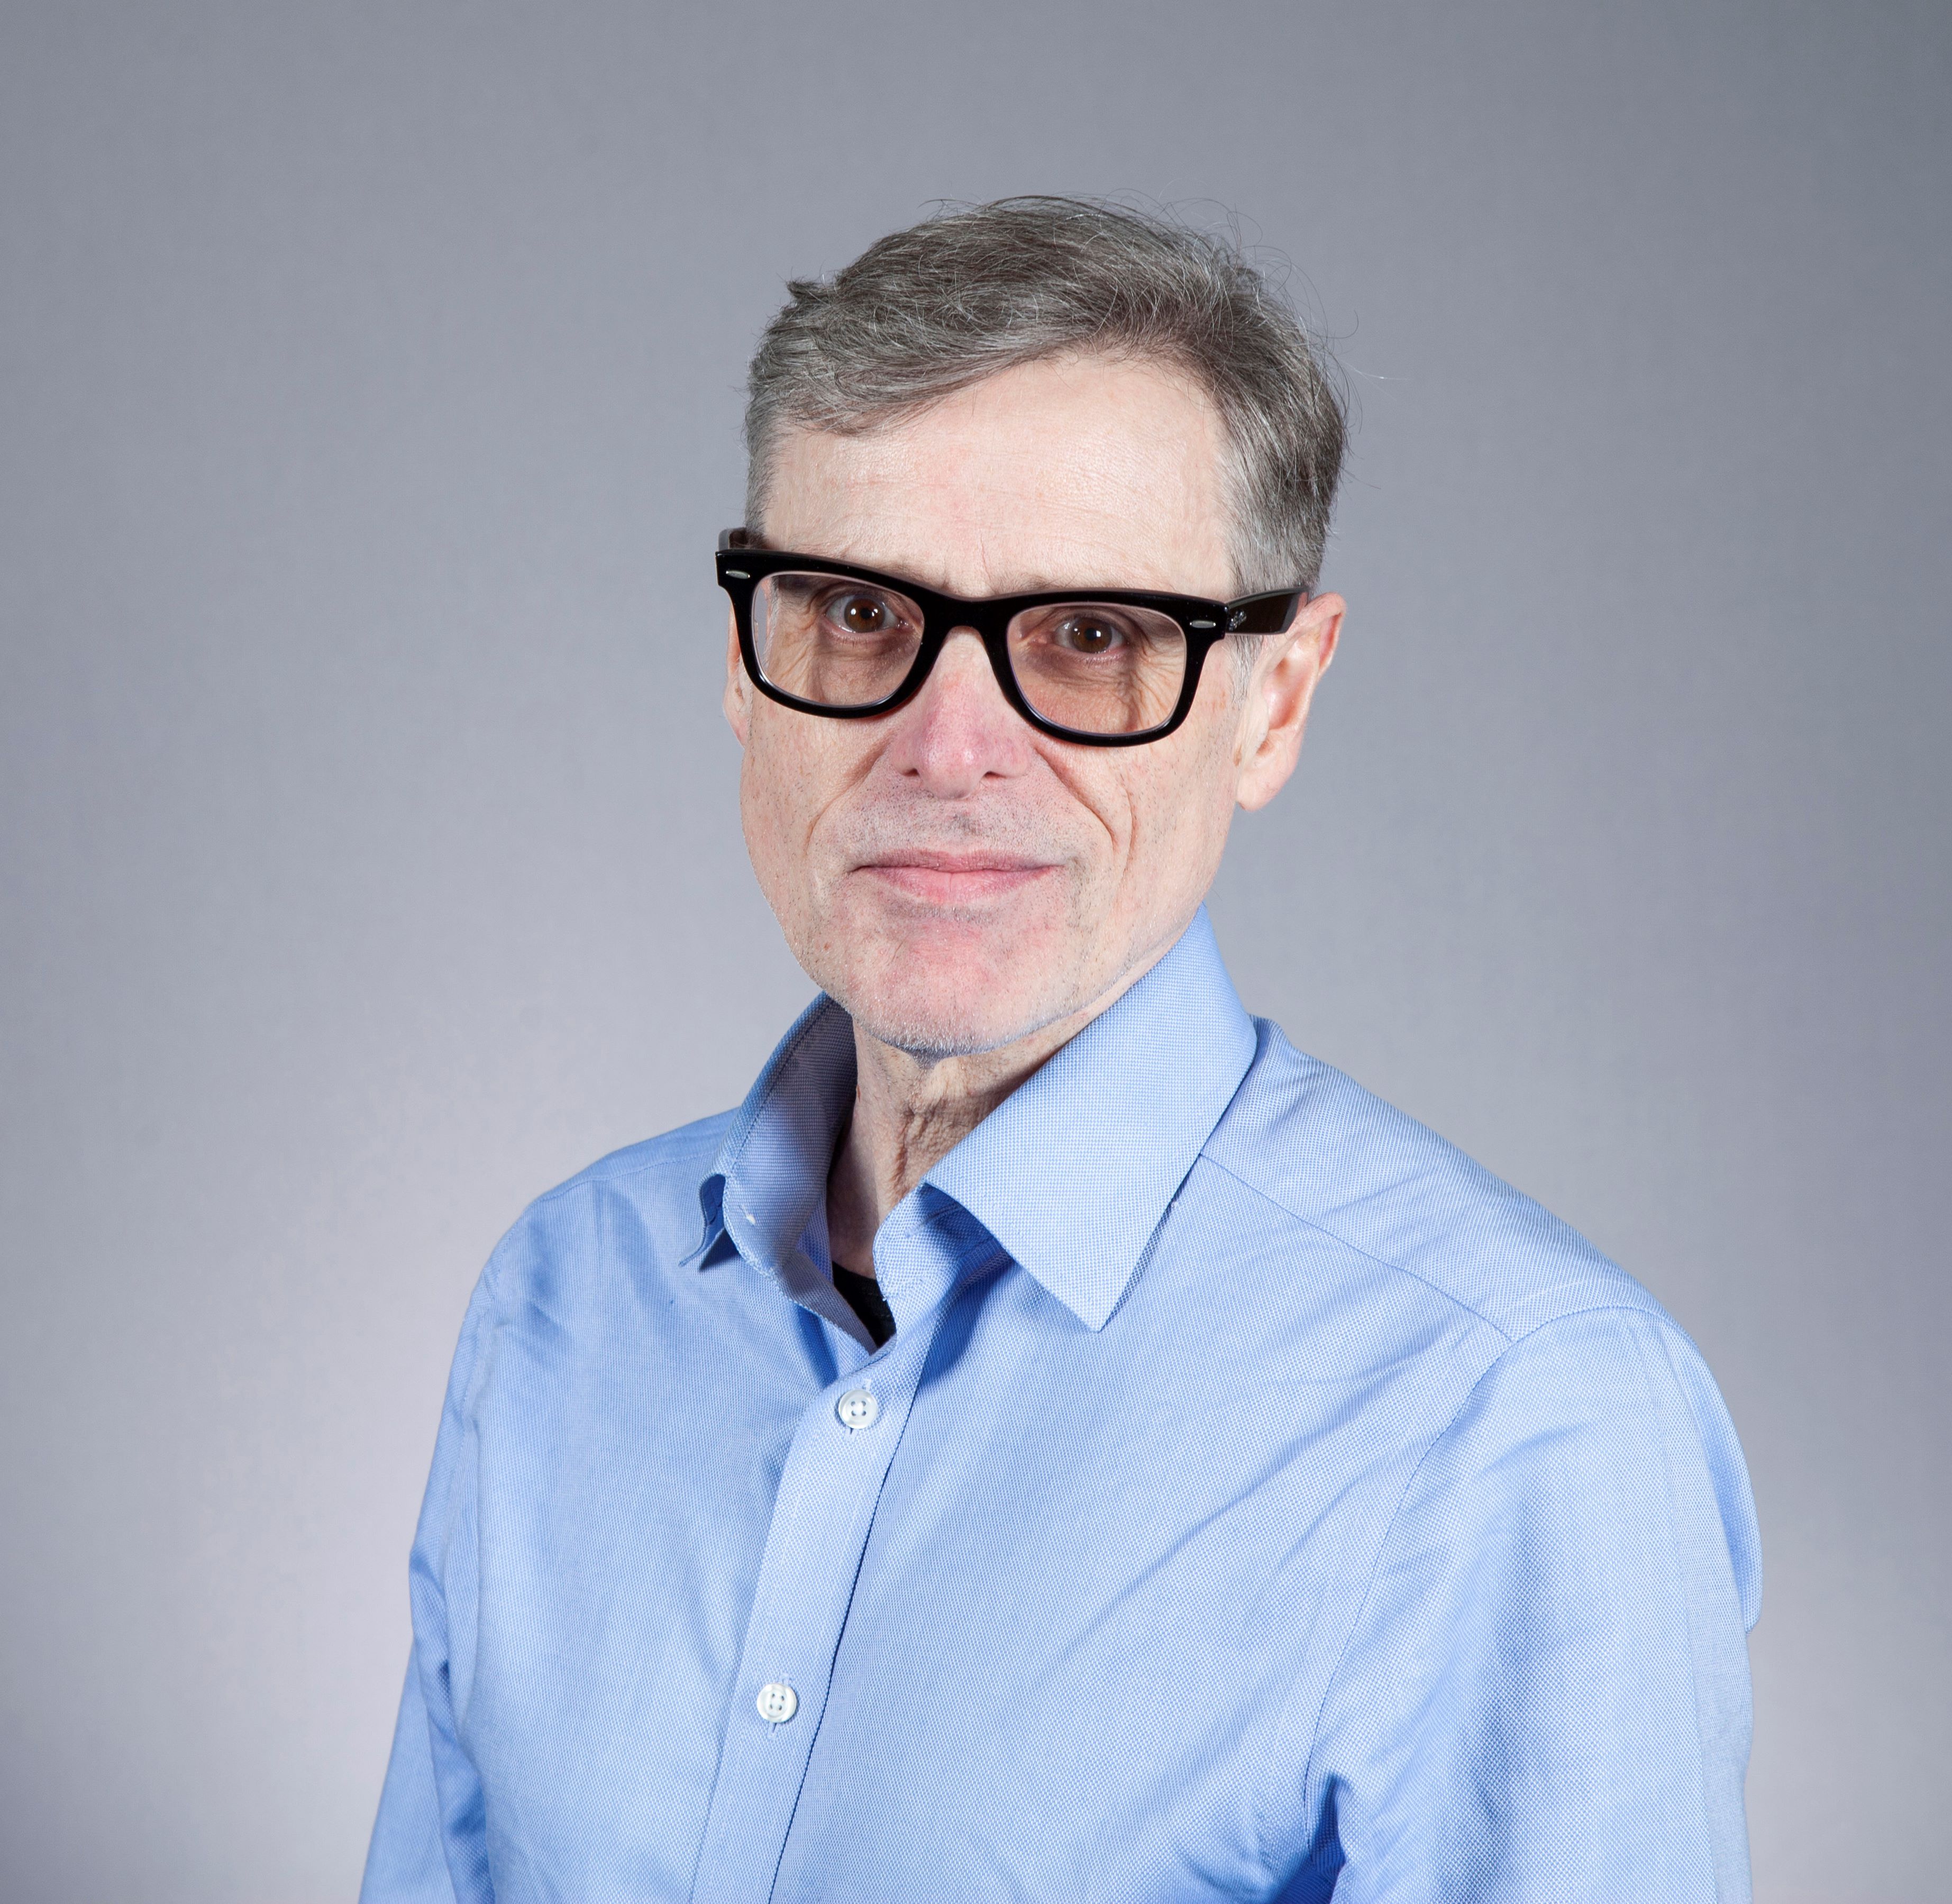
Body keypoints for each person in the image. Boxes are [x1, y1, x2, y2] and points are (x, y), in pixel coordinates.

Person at [360, 197, 1759, 1903]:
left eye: (1092, 638)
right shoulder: (565, 1302)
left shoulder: (1515, 1417)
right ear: (744, 661)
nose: (949, 747)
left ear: (1276, 699)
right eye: (858, 615)